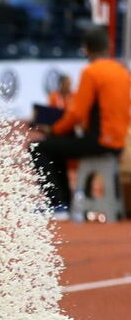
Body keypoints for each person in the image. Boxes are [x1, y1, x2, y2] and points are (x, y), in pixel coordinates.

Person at [31, 28, 131, 214]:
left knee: (39, 147)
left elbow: (77, 113)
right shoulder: (123, 72)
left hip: (98, 142)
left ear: (86, 50)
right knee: (56, 145)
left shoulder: (91, 72)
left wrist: (54, 129)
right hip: (119, 142)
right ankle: (63, 203)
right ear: (108, 46)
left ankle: (58, 203)